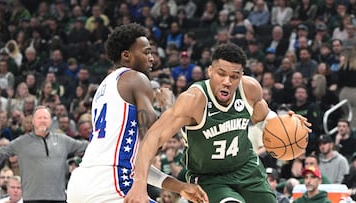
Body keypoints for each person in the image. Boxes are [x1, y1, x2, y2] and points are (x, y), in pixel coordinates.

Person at [125, 42, 311, 203]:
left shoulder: (249, 89)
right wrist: (139, 183)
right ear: (210, 71)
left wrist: (285, 122)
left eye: (234, 76)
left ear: (241, 75)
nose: (227, 82)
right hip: (210, 177)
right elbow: (153, 138)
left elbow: (263, 119)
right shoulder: (194, 100)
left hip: (247, 169)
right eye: (221, 74)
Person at [66, 23, 208, 203]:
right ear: (126, 55)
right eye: (147, 52)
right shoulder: (136, 78)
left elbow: (137, 162)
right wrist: (168, 108)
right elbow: (153, 144)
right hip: (111, 183)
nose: (152, 58)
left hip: (81, 184)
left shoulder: (103, 88)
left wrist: (179, 187)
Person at [0, 106, 89, 202]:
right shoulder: (21, 142)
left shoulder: (63, 140)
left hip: (58, 198)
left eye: (45, 118)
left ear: (51, 121)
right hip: (32, 199)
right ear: (33, 121)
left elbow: (85, 146)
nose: (42, 121)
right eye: (39, 118)